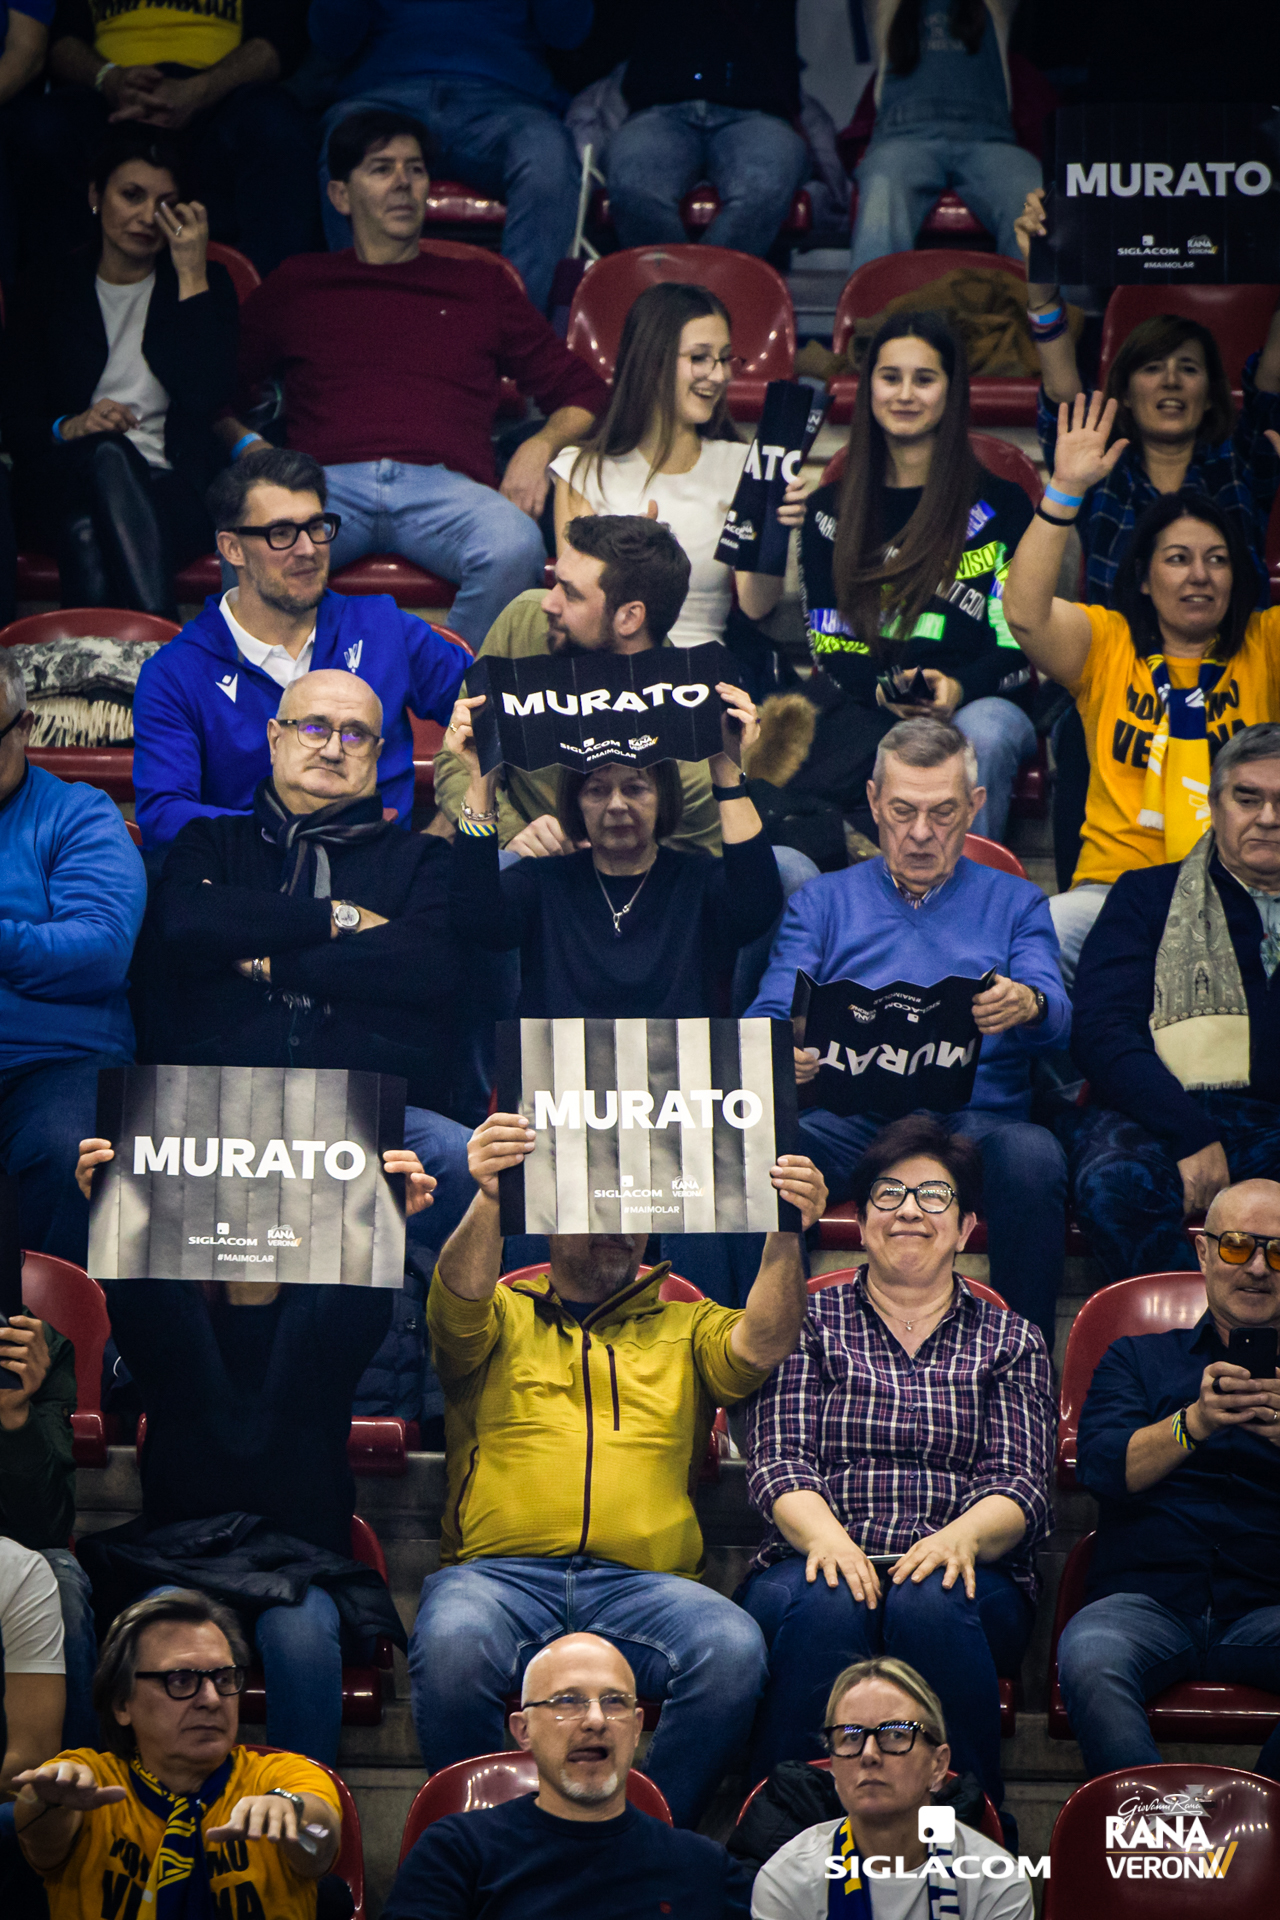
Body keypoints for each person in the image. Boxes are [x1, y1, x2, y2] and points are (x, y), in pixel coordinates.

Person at [408, 1110, 828, 1829]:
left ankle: (645, 1840)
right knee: (450, 1646)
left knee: (732, 1649)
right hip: (498, 1580)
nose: (620, 1226)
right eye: (597, 1204)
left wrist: (787, 1229)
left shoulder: (687, 1324)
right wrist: (493, 1196)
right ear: (547, 1218)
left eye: (634, 1210)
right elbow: (458, 1300)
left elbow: (762, 1344)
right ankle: (487, 1846)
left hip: (647, 1588)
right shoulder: (500, 1313)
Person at [70, 1137, 434, 1762]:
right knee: (161, 1641)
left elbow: (357, 1304)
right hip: (179, 1558)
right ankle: (151, 1806)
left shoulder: (324, 1316)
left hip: (303, 1564)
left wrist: (384, 1215)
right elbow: (139, 1299)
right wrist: (114, 1199)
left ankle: (301, 1811)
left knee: (302, 1635)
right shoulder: (176, 1312)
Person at [739, 1118, 1053, 1828]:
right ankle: (786, 1833)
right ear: (860, 1222)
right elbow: (780, 1457)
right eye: (888, 1194)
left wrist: (956, 1541)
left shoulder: (1012, 1339)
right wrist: (829, 1541)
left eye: (933, 1196)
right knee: (827, 1599)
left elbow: (1020, 1481)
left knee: (929, 1598)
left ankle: (964, 1830)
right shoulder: (807, 1320)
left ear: (966, 1227)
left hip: (969, 1568)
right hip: (813, 1554)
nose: (909, 1210)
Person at [220, 109, 608, 648]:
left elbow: (586, 393)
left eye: (415, 169)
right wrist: (249, 445)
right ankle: (288, 691)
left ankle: (451, 692)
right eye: (382, 168)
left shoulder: (480, 285)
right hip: (324, 486)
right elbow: (214, 395)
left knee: (516, 546)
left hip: (448, 488)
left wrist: (539, 446)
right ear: (340, 194)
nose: (403, 182)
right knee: (255, 540)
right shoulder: (300, 283)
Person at [747, 717, 1070, 1344]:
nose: (921, 833)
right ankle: (765, 1351)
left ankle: (1023, 1362)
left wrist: (1026, 1004)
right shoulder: (822, 902)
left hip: (977, 1125)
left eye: (943, 813)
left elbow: (1056, 1016)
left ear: (975, 806)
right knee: (761, 1153)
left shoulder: (1016, 901)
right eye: (902, 811)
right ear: (873, 803)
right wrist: (786, 1051)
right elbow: (766, 1016)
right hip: (852, 1122)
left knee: (1034, 1158)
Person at [150, 665, 477, 1250]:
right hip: (215, 1110)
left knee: (463, 1159)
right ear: (275, 737)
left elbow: (427, 963)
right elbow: (187, 922)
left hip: (374, 1119)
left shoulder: (421, 859)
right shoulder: (211, 841)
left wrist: (271, 961)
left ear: (378, 753)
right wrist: (337, 917)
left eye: (355, 734)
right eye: (315, 728)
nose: (332, 748)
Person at [1014, 186, 1280, 891]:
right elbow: (1062, 386)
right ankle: (1087, 892)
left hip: (1240, 673)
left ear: (1212, 391)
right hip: (1112, 672)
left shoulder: (1242, 460)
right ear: (1123, 390)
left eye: (1189, 367)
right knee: (1073, 735)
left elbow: (1276, 368)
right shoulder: (1096, 459)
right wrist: (1043, 276)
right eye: (1152, 366)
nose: (1170, 379)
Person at [1003, 404, 1280, 987]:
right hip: (1115, 892)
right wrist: (1064, 489)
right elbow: (1025, 614)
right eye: (1178, 559)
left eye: (1217, 560)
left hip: (1247, 890)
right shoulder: (1109, 642)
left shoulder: (1265, 644)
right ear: (1146, 578)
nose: (1199, 575)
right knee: (1033, 940)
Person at [130, 444, 471, 848]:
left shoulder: (383, 626)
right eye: (281, 534)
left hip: (385, 873)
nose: (308, 549)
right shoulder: (176, 672)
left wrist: (453, 819)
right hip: (251, 875)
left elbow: (498, 709)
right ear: (232, 548)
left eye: (316, 527)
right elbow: (164, 815)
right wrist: (292, 834)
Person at [1057, 1178, 1280, 1780]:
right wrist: (1194, 1423)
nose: (1258, 1268)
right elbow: (1102, 1468)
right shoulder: (1137, 1357)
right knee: (1089, 1656)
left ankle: (1267, 1823)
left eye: (1278, 1253)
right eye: (1237, 1246)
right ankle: (1157, 1823)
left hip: (1269, 1604)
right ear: (1203, 1251)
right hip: (1146, 1600)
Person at [796, 312, 1035, 843]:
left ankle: (965, 890)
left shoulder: (1003, 505)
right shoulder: (828, 510)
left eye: (924, 379)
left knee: (983, 733)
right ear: (869, 389)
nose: (905, 394)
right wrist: (886, 693)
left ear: (952, 391)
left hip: (980, 701)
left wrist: (959, 687)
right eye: (890, 377)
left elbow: (1018, 642)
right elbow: (829, 645)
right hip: (869, 702)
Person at [1068, 724, 1280, 1284]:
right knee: (1115, 1184)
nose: (1267, 818)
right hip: (1156, 1112)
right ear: (1213, 804)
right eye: (1247, 798)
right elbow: (1101, 1032)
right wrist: (1190, 1131)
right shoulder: (1145, 895)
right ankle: (1183, 1335)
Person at [0, 127, 237, 620]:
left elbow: (208, 395)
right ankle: (166, 635)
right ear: (95, 196)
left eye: (165, 204)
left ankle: (100, 670)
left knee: (85, 534)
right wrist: (72, 426)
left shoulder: (204, 283)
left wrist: (191, 274)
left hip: (170, 487)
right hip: (61, 479)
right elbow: (16, 421)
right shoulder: (45, 287)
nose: (148, 216)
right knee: (108, 451)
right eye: (132, 195)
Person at [444, 673, 783, 1017]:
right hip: (560, 1053)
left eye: (635, 788)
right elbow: (476, 918)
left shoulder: (699, 881)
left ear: (662, 797)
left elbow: (756, 909)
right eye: (597, 790)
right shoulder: (542, 882)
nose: (617, 805)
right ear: (576, 802)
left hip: (682, 1052)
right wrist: (482, 778)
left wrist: (727, 773)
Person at [13, 1589, 345, 1915]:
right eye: (181, 1680)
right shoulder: (88, 1781)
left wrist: (294, 1813)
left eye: (224, 1679)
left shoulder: (283, 1776)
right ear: (121, 1703)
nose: (212, 1699)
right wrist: (47, 1806)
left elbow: (321, 1839)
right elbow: (40, 1834)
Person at [387, 1632, 753, 1918]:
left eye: (614, 1702)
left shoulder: (706, 1868)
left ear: (636, 1726)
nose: (596, 1720)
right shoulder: (455, 1853)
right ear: (523, 1730)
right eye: (567, 1701)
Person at [431, 513, 725, 856]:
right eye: (556, 583)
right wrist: (509, 831)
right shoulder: (525, 624)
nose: (548, 602)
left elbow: (698, 873)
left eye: (570, 594)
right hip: (526, 863)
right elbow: (456, 760)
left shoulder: (692, 743)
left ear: (629, 617)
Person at [551, 281, 807, 649]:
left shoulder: (743, 464)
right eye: (700, 357)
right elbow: (579, 611)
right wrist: (636, 555)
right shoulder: (581, 470)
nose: (719, 375)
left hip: (704, 668)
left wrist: (773, 531)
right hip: (611, 666)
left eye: (724, 358)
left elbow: (757, 605)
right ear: (652, 362)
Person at [0, 653, 146, 1264]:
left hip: (57, 1064)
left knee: (72, 1150)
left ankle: (47, 1323)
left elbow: (100, 950)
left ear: (24, 727)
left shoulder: (79, 814)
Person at [311, 2, 590, 316]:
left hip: (505, 99)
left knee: (548, 159)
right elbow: (331, 40)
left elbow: (568, 33)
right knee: (345, 150)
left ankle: (513, 332)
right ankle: (363, 325)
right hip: (386, 92)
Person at [6, 0, 316, 275]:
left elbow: (278, 41)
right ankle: (61, 301)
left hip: (217, 93)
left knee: (276, 122)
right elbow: (61, 41)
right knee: (43, 128)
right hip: (111, 93)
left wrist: (199, 91)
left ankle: (269, 302)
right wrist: (109, 80)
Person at [751, 1657, 1029, 1918]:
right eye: (850, 1737)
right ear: (833, 1767)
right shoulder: (787, 1880)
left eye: (896, 1734)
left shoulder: (995, 1883)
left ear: (938, 1765)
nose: (868, 1754)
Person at [603, 1, 810, 259]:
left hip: (757, 108)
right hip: (659, 105)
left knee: (765, 186)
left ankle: (694, 283)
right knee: (633, 184)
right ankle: (686, 283)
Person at [851, 2, 1041, 271]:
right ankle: (873, 299)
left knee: (1032, 193)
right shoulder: (887, 6)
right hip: (905, 140)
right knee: (882, 189)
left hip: (988, 141)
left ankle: (1038, 300)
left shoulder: (993, 6)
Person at [1, 1304, 98, 1749]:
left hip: (18, 1542)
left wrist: (13, 1415)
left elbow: (48, 1527)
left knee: (59, 1581)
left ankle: (75, 1773)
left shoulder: (33, 1345)